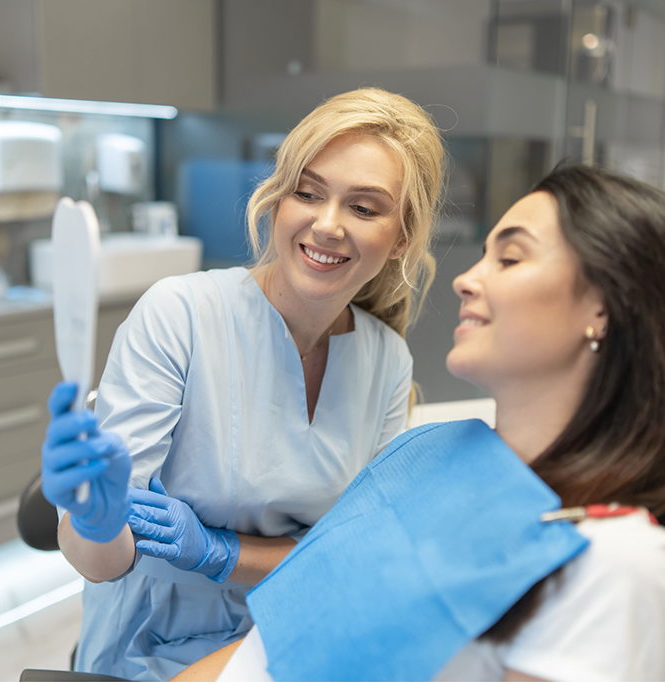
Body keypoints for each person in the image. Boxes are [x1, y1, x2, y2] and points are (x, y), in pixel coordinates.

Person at [175, 164, 665, 682]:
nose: (466, 279)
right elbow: (266, 653)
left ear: (604, 307)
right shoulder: (428, 454)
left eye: (511, 258)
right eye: (483, 256)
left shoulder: (613, 558)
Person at [40, 87, 446, 681]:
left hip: (296, 638)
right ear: (279, 201)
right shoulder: (179, 315)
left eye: (364, 208)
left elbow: (353, 558)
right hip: (153, 648)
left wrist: (218, 552)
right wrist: (94, 523)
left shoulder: (386, 361)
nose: (327, 225)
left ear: (402, 236)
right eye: (308, 193)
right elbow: (103, 562)